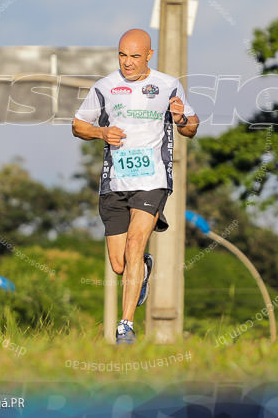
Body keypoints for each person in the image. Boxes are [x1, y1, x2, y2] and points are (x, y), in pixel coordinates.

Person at [72, 28, 198, 344]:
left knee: (134, 246)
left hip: (153, 180)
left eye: (135, 56)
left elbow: (192, 128)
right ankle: (143, 269)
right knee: (119, 264)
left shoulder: (168, 85)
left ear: (149, 55)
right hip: (114, 181)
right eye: (122, 55)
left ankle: (125, 326)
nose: (127, 63)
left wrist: (182, 119)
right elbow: (78, 125)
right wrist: (101, 133)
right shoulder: (105, 87)